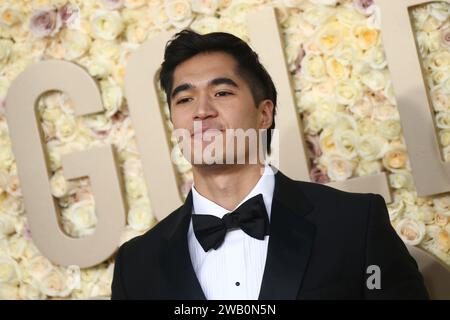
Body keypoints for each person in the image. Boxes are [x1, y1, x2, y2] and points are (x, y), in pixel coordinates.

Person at [111, 30, 429, 300]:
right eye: (184, 99)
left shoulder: (354, 224)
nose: (201, 111)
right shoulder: (136, 264)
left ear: (264, 114)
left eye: (221, 92)